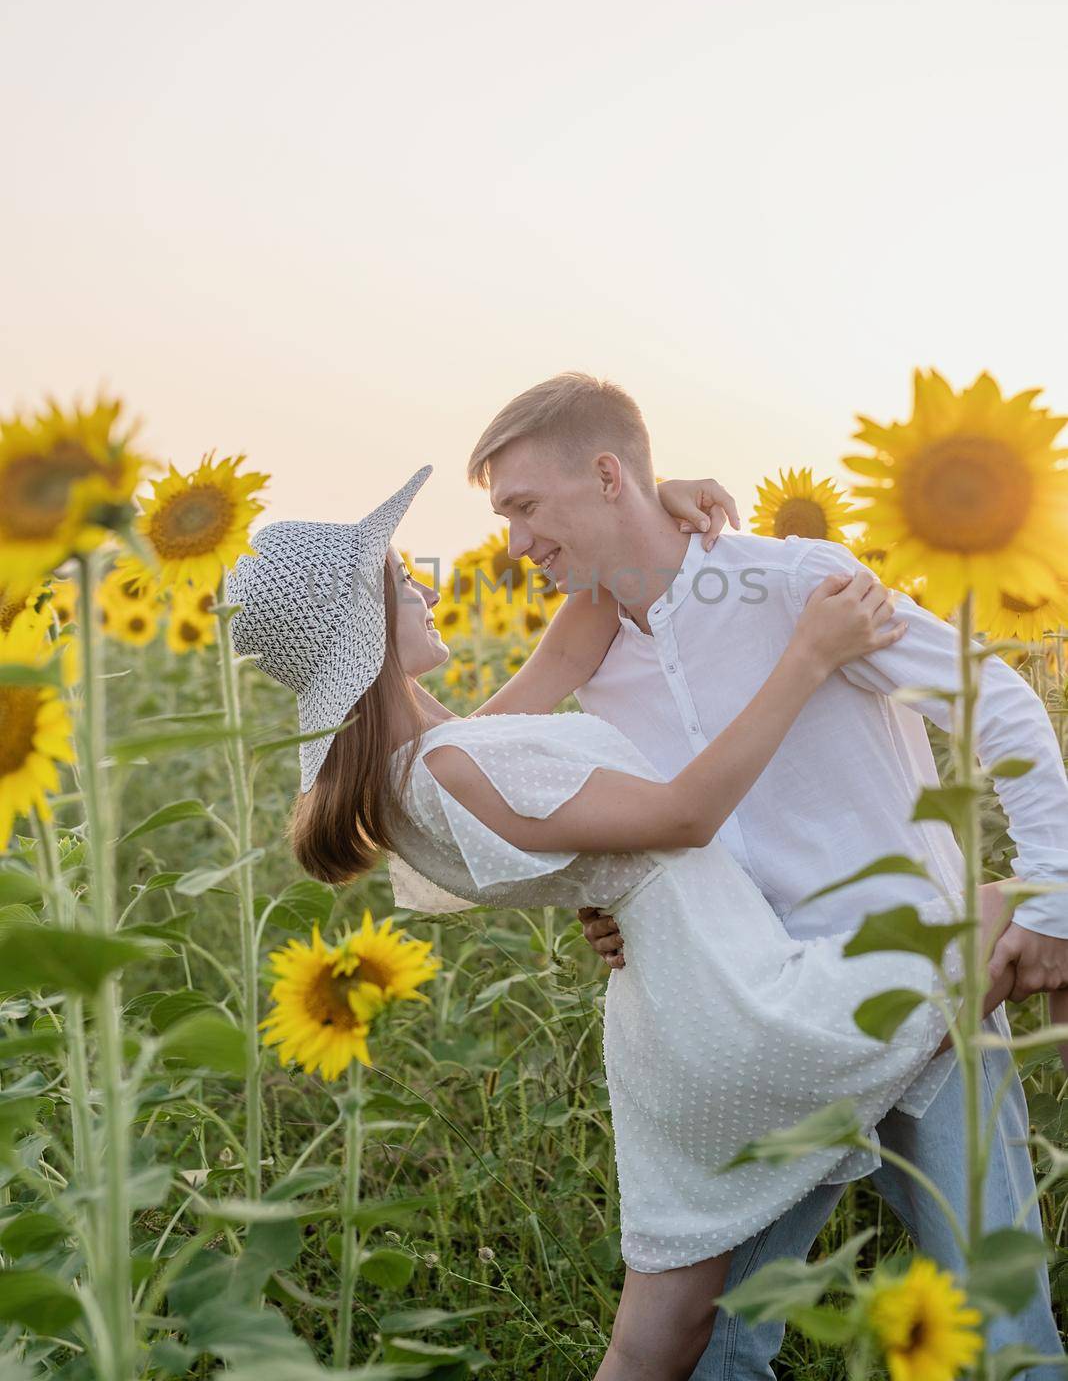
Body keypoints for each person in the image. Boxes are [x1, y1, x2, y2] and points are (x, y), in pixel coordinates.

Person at [226, 461, 1024, 1381]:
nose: (430, 585)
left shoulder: (433, 760)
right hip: (739, 1005)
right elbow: (685, 817)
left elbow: (581, 639)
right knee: (1021, 910)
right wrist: (809, 653)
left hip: (680, 1019)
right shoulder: (448, 769)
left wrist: (645, 501)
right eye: (404, 581)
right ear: (366, 624)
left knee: (670, 1345)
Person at [455, 370, 1068, 1379]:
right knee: (720, 1343)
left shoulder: (792, 585)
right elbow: (640, 831)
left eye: (524, 507)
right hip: (760, 1032)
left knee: (1005, 1338)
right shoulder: (594, 659)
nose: (514, 542)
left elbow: (992, 700)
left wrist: (1047, 883)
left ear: (609, 474)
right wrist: (609, 907)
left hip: (926, 1000)